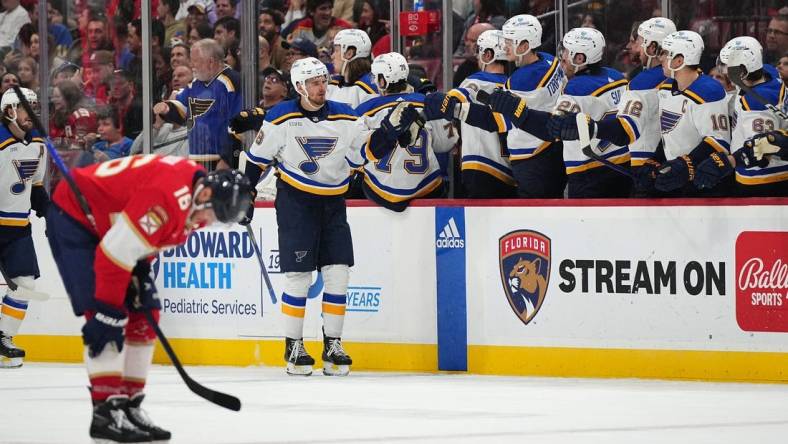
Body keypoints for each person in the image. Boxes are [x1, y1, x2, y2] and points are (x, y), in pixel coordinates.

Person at [46, 156, 252, 443]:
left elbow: (144, 234)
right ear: (206, 194)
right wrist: (107, 310)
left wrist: (139, 265)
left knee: (146, 314)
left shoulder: (193, 191)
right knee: (106, 317)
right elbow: (112, 256)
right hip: (76, 217)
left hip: (111, 227)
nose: (210, 223)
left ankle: (129, 408)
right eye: (215, 214)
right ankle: (106, 413)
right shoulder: (167, 199)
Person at [240, 57, 412, 376]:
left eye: (324, 81)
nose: (322, 87)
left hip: (334, 202)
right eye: (315, 82)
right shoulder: (280, 118)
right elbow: (255, 160)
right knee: (300, 276)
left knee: (338, 273)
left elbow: (364, 154)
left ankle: (333, 343)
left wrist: (388, 133)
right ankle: (294, 345)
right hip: (296, 202)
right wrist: (245, 193)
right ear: (300, 86)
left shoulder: (346, 116)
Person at [430, 14, 566, 198]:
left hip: (523, 162)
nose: (505, 45)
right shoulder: (550, 61)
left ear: (524, 45)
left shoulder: (516, 82)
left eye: (510, 41)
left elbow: (493, 120)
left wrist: (452, 107)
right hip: (547, 155)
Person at [355, 52, 458, 211]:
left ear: (382, 81)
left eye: (376, 78)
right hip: (427, 189)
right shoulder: (427, 103)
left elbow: (355, 154)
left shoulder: (366, 110)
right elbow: (446, 143)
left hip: (380, 192)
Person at [695, 37, 788, 197]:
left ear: (743, 70)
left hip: (764, 182)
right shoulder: (768, 73)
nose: (724, 71)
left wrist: (727, 161)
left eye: (728, 67)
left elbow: (761, 150)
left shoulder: (756, 103)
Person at [0, 87, 48, 368]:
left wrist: (48, 212)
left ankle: (4, 340)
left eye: (33, 106)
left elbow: (37, 187)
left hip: (18, 227)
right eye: (24, 107)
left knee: (26, 284)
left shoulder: (38, 143)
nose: (31, 113)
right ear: (9, 112)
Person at [445, 30, 516, 198]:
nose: (477, 57)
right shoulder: (513, 85)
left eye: (480, 52)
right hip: (510, 170)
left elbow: (450, 102)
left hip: (481, 166)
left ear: (488, 54)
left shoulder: (475, 81)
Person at [154, 38, 241, 170]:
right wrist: (167, 108)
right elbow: (182, 109)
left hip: (221, 161)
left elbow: (239, 123)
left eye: (195, 60)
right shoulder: (196, 83)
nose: (191, 64)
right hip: (196, 158)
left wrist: (227, 159)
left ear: (211, 62)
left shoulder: (231, 82)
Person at [327, 29, 378, 108]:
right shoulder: (332, 84)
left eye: (336, 50)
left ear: (349, 54)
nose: (332, 56)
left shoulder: (367, 89)